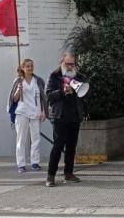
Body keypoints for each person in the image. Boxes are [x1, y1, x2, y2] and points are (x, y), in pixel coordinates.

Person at [46, 52, 85, 187]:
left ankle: (69, 173)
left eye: (72, 64)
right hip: (60, 116)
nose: (69, 66)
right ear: (61, 62)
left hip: (74, 115)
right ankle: (51, 176)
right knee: (57, 146)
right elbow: (49, 95)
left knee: (71, 147)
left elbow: (87, 92)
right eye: (67, 64)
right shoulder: (54, 76)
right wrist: (63, 91)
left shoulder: (79, 77)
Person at [8, 58, 48, 173]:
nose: (30, 68)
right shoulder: (18, 81)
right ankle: (21, 164)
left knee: (36, 139)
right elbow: (14, 99)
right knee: (21, 139)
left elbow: (42, 97)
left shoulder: (38, 80)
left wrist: (44, 111)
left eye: (31, 66)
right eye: (27, 66)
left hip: (35, 111)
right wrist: (19, 90)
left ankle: (35, 162)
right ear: (23, 68)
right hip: (22, 112)